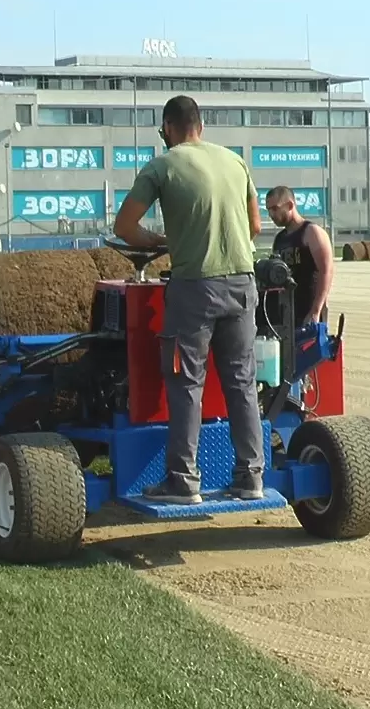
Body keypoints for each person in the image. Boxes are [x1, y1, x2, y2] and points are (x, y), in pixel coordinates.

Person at [113, 95, 265, 505]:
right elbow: (254, 224)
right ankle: (251, 477)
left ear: (168, 128)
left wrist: (162, 241)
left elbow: (124, 227)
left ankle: (183, 480)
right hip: (243, 283)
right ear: (201, 125)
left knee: (185, 383)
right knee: (242, 382)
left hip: (194, 289)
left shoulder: (163, 165)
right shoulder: (235, 162)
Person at [265, 185, 334, 325]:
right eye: (268, 210)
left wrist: (316, 310)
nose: (271, 214)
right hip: (286, 314)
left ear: (290, 205)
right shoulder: (279, 239)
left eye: (275, 208)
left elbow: (326, 271)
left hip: (308, 312)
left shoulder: (311, 232)